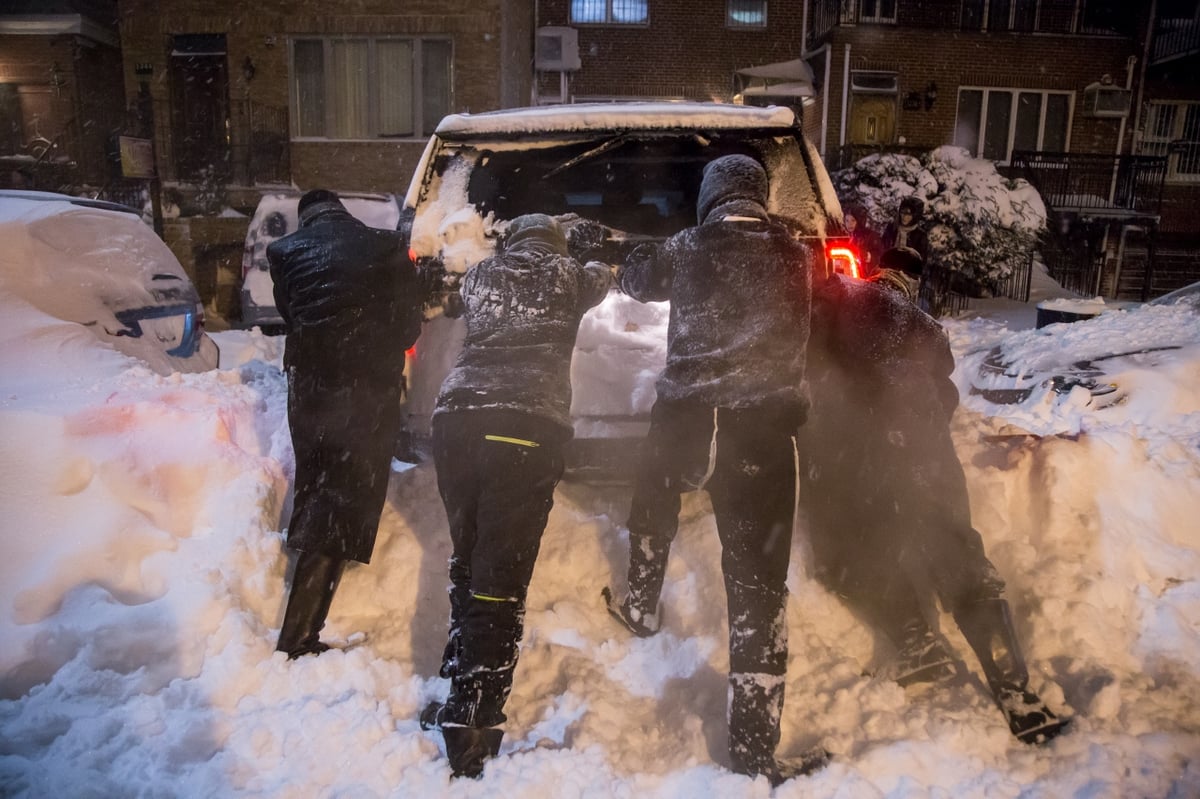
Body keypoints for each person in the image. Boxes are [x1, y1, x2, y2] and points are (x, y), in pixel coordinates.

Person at [603, 154, 821, 783]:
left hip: (689, 416)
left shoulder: (690, 243)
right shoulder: (795, 255)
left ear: (710, 197)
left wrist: (626, 248)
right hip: (760, 431)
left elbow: (639, 279)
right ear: (759, 196)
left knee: (654, 493)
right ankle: (753, 746)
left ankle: (642, 601)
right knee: (758, 584)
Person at [798, 263, 1068, 745]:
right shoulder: (910, 318)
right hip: (921, 443)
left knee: (852, 552)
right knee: (956, 549)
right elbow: (944, 386)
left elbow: (811, 383)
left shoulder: (829, 305)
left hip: (862, 445)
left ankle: (915, 642)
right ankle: (1014, 690)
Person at [419, 214, 612, 778]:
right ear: (552, 245)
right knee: (500, 582)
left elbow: (450, 299)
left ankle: (458, 685)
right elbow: (604, 275)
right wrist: (584, 248)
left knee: (469, 561)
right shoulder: (569, 276)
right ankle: (472, 722)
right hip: (523, 430)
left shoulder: (481, 276)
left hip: (456, 426)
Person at [266, 189, 424, 659]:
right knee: (348, 492)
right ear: (342, 211)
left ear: (306, 218)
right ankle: (298, 635)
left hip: (310, 388)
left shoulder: (284, 252)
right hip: (367, 388)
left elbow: (292, 317)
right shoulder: (385, 246)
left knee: (320, 485)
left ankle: (308, 603)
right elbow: (408, 329)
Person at [882, 195, 930, 266]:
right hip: (886, 268)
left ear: (915, 216)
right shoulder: (892, 228)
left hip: (906, 273)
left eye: (908, 214)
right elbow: (882, 247)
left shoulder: (920, 235)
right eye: (902, 213)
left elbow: (921, 261)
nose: (904, 217)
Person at [843, 204, 884, 276]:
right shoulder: (844, 236)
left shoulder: (870, 236)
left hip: (867, 277)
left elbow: (879, 255)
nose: (849, 224)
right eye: (847, 220)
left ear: (859, 221)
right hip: (849, 276)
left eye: (853, 220)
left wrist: (868, 256)